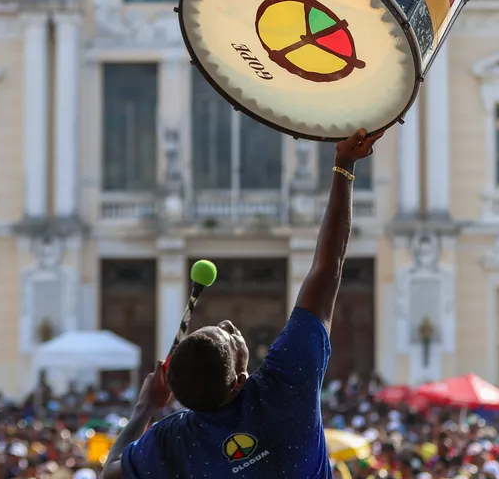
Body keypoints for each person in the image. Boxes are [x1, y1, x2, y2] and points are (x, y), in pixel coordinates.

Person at [100, 128, 383, 479]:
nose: (228, 325)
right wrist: (344, 165)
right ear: (239, 381)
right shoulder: (284, 387)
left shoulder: (171, 440)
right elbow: (327, 269)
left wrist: (144, 408)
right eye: (229, 339)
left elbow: (109, 474)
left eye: (215, 328)